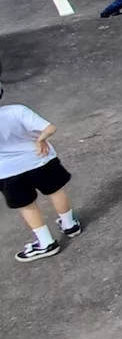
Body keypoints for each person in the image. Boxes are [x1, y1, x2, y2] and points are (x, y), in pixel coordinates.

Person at [0, 82, 81, 263]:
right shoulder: (16, 111)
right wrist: (41, 139)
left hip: (7, 172)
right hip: (40, 159)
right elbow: (50, 128)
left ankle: (46, 242)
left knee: (27, 205)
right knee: (55, 191)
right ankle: (69, 224)